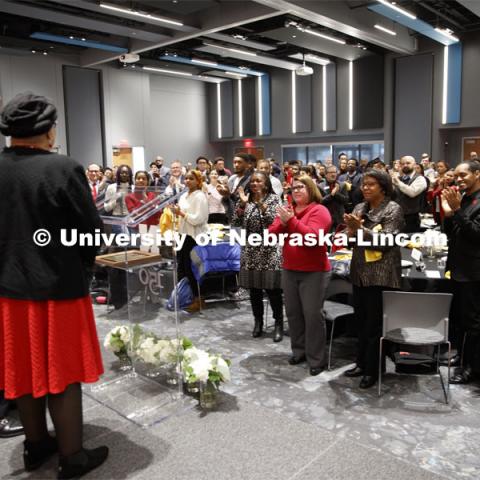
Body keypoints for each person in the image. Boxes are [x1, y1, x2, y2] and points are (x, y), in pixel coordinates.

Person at [0, 93, 108, 477]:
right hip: (58, 287)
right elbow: (91, 231)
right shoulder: (63, 168)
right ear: (48, 131)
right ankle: (72, 456)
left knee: (24, 371)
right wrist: (84, 265)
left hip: (9, 290)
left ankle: (36, 446)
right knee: (63, 374)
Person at [343, 170, 404, 389]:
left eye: (370, 185)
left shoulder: (393, 209)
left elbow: (386, 241)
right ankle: (361, 363)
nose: (365, 188)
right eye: (364, 185)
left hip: (381, 274)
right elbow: (351, 241)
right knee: (360, 322)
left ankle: (373, 370)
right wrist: (349, 234)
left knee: (374, 326)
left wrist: (360, 229)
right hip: (360, 272)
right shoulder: (359, 207)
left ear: (383, 187)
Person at [269, 175, 332, 376]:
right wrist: (284, 222)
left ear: (311, 189)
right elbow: (271, 233)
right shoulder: (288, 210)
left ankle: (316, 359)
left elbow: (313, 237)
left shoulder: (319, 210)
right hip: (290, 269)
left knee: (312, 316)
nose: (295, 191)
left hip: (314, 271)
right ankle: (299, 351)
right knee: (294, 314)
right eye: (293, 188)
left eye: (300, 187)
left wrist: (292, 221)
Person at [233, 172, 283, 341]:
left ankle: (278, 323)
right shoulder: (247, 199)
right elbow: (236, 222)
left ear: (266, 184)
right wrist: (241, 204)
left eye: (258, 181)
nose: (254, 184)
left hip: (269, 250)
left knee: (272, 290)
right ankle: (258, 322)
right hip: (250, 250)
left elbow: (273, 223)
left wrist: (262, 205)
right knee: (254, 290)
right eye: (252, 181)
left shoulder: (274, 200)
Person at [442, 160, 480, 384]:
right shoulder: (464, 198)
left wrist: (456, 211)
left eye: (463, 175)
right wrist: (448, 215)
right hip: (458, 268)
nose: (459, 179)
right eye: (456, 176)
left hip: (474, 272)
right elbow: (454, 233)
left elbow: (476, 235)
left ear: (477, 174)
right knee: (460, 319)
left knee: (474, 322)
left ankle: (472, 368)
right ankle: (463, 357)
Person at [171, 170, 209, 313]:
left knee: (192, 269)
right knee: (182, 268)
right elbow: (182, 216)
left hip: (194, 237)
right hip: (182, 234)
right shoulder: (184, 195)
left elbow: (198, 219)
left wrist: (181, 213)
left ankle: (199, 299)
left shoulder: (200, 196)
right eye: (186, 178)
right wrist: (176, 212)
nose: (187, 181)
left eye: (191, 179)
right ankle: (184, 296)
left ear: (198, 181)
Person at [392, 155, 427, 233]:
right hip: (396, 217)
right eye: (402, 164)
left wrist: (397, 182)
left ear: (414, 164)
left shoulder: (420, 179)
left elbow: (412, 192)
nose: (405, 165)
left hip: (411, 219)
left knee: (409, 243)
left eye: (408, 163)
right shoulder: (399, 179)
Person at [319, 165, 349, 231]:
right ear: (326, 175)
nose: (333, 174)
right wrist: (331, 195)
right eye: (331, 172)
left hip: (339, 216)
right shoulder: (320, 186)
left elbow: (346, 200)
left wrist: (336, 193)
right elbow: (320, 202)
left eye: (335, 172)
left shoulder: (342, 185)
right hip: (326, 216)